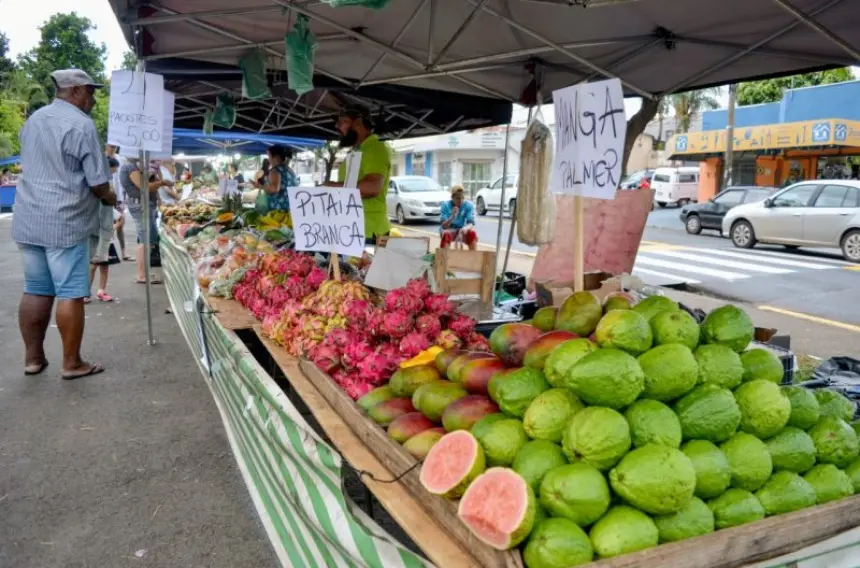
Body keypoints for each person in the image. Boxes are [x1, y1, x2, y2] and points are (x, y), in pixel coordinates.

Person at [12, 69, 115, 380]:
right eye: (91, 92)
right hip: (64, 220)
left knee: (36, 290)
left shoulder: (34, 120)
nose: (94, 99)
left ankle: (33, 359)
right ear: (76, 91)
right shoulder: (81, 126)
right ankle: (71, 363)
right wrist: (110, 198)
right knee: (70, 292)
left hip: (29, 218)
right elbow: (98, 182)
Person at [327, 104, 391, 245]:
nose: (339, 127)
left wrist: (332, 186)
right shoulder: (355, 151)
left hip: (369, 231)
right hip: (351, 229)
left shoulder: (375, 147)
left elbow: (373, 187)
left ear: (358, 123)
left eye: (343, 121)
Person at [120, 157, 167, 284]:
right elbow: (144, 186)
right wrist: (161, 183)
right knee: (144, 240)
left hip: (143, 204)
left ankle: (145, 272)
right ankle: (141, 274)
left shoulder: (132, 166)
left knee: (146, 239)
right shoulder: (130, 167)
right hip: (140, 205)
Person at [105, 144, 132, 260]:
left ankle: (123, 252)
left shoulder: (120, 159)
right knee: (106, 224)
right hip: (106, 197)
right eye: (111, 146)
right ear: (106, 146)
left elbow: (124, 176)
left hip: (119, 197)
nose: (113, 148)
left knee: (121, 224)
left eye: (115, 146)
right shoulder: (100, 158)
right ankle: (106, 252)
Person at [440, 185, 478, 250]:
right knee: (446, 234)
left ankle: (473, 256)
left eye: (462, 197)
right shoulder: (445, 205)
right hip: (449, 229)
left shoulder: (468, 205)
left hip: (461, 229)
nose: (460, 200)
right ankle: (445, 257)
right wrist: (453, 216)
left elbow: (471, 222)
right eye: (458, 198)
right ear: (452, 197)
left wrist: (465, 229)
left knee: (472, 234)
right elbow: (444, 226)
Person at [262, 145, 298, 212]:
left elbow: (274, 189)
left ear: (276, 157)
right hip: (291, 210)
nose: (268, 159)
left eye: (269, 156)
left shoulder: (275, 171)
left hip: (278, 212)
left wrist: (260, 186)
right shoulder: (290, 171)